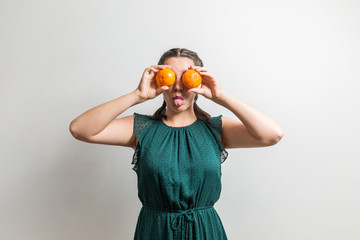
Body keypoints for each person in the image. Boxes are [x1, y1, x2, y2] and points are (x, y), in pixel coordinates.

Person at [69, 48, 284, 239]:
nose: (178, 87)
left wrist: (220, 96)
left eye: (187, 77)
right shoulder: (141, 129)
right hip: (155, 231)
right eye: (170, 78)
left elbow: (272, 134)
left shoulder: (215, 129)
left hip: (205, 232)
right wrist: (138, 95)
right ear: (160, 81)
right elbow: (80, 129)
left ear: (198, 81)